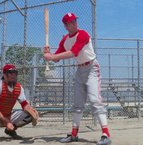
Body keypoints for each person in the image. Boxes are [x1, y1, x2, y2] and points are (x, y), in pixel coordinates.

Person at [43, 13, 111, 145]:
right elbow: (56, 59)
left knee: (95, 100)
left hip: (92, 68)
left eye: (74, 21)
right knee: (78, 103)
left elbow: (74, 52)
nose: (74, 23)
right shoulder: (64, 40)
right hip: (80, 70)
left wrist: (51, 57)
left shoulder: (83, 34)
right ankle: (74, 134)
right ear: (66, 26)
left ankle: (106, 134)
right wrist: (48, 53)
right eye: (70, 22)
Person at [0, 64, 39, 142]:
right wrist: (7, 122)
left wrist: (32, 110)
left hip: (8, 115)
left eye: (15, 73)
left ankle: (10, 130)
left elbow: (24, 104)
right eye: (10, 73)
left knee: (29, 114)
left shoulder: (19, 87)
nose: (13, 75)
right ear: (4, 74)